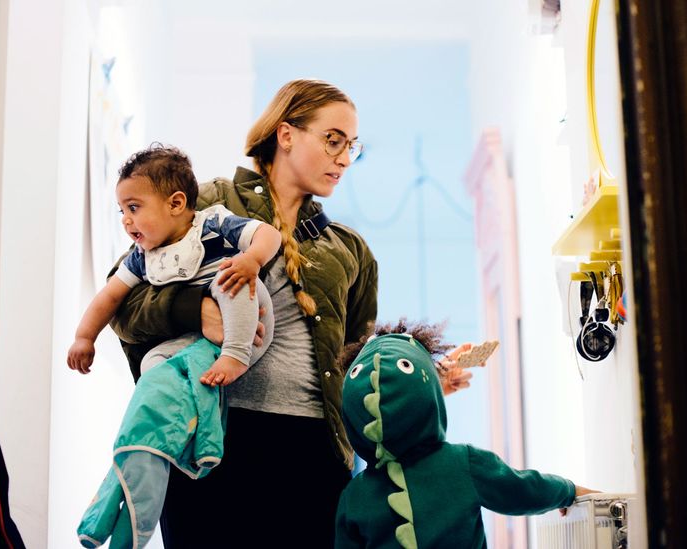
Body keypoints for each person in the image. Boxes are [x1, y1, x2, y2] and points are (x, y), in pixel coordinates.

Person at [107, 79, 476, 547]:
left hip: (314, 456)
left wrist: (421, 379)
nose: (344, 158)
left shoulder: (350, 251)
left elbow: (356, 362)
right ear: (286, 135)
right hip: (211, 440)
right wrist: (193, 308)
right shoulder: (208, 204)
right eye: (333, 140)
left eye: (351, 146)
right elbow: (122, 300)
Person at [336, 320, 596, 548]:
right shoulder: (463, 464)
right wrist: (568, 491)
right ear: (430, 396)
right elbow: (523, 488)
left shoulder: (354, 497)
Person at [66, 144, 281, 385]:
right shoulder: (142, 257)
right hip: (199, 338)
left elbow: (269, 235)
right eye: (122, 211)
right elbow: (109, 297)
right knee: (151, 362)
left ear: (176, 204)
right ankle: (180, 406)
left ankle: (236, 356)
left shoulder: (211, 222)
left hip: (248, 327)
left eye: (133, 207)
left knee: (230, 278)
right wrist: (84, 337)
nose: (126, 220)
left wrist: (252, 259)